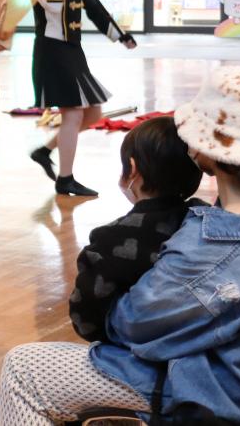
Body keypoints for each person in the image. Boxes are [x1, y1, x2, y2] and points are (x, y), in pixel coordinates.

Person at [0, 66, 240, 425]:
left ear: (209, 148)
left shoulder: (214, 244)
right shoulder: (209, 219)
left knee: (26, 369)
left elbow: (136, 325)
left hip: (219, 388)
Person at [69, 115, 205, 343]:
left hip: (135, 355)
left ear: (132, 169)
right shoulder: (205, 220)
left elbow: (85, 318)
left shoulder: (110, 239)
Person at [27, 0, 136, 197]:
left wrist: (120, 35)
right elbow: (54, 6)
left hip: (73, 50)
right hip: (52, 50)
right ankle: (66, 179)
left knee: (93, 113)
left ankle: (44, 151)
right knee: (74, 114)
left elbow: (92, 3)